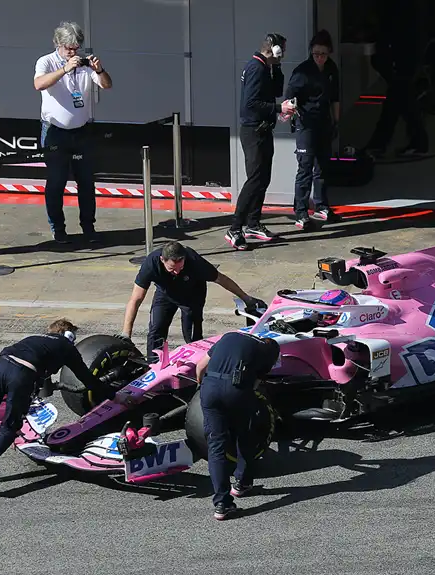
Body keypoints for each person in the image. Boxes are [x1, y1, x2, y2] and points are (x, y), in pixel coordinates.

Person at [0, 319, 114, 491]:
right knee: (10, 427)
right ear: (69, 335)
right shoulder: (66, 345)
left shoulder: (34, 339)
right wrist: (112, 394)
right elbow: (86, 378)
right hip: (22, 374)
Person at [33, 21, 113, 244]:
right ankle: (58, 229)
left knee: (86, 181)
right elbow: (39, 84)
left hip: (82, 131)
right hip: (55, 131)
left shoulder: (84, 64)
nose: (73, 52)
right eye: (69, 48)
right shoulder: (46, 61)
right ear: (58, 44)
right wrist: (64, 69)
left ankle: (88, 227)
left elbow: (107, 85)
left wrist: (99, 69)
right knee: (56, 182)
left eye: (76, 48)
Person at [120, 241, 266, 357]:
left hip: (192, 296)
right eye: (172, 269)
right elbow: (135, 299)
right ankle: (152, 367)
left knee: (192, 338)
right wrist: (126, 334)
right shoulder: (151, 264)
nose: (176, 272)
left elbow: (222, 279)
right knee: (156, 331)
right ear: (162, 260)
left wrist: (246, 298)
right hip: (165, 294)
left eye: (180, 268)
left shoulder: (195, 261)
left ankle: (197, 369)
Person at [195, 331, 281, 520]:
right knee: (245, 434)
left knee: (216, 446)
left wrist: (203, 388)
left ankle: (222, 504)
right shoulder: (266, 352)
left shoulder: (229, 336)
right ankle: (242, 483)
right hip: (237, 391)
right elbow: (256, 384)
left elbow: (200, 366)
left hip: (210, 389)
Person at [226, 34, 296, 251]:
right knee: (255, 179)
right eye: (282, 50)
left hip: (264, 130)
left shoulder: (266, 67)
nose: (283, 54)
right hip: (253, 131)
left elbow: (276, 91)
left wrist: (278, 67)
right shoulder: (256, 68)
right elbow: (251, 103)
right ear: (275, 49)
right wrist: (279, 108)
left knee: (263, 178)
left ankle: (253, 223)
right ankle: (235, 227)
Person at [285, 29, 342, 230]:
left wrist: (336, 121)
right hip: (306, 124)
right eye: (316, 53)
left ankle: (321, 205)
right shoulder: (302, 72)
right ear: (311, 51)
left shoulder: (331, 68)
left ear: (329, 53)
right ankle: (300, 212)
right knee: (305, 168)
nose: (319, 58)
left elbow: (335, 97)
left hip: (324, 122)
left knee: (323, 167)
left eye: (323, 54)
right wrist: (291, 115)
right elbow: (289, 97)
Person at [363, 0, 430, 157]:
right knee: (399, 93)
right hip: (407, 47)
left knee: (399, 92)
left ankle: (380, 143)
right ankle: (383, 142)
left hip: (402, 49)